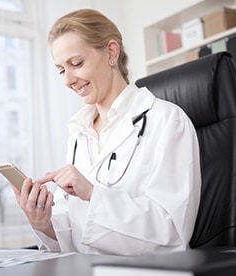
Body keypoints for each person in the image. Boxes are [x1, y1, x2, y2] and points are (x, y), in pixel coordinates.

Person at [12, 9, 201, 256]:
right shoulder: (79, 133)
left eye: (76, 64)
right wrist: (42, 222)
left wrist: (92, 193)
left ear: (111, 52)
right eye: (61, 70)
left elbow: (173, 232)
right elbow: (76, 232)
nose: (67, 80)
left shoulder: (167, 121)